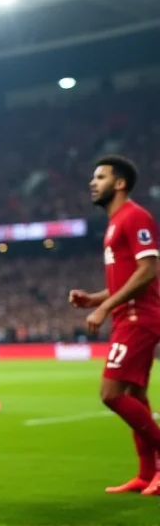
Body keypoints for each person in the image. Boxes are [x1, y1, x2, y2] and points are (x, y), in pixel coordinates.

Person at [69, 155, 160, 496]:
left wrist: (104, 307)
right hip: (129, 316)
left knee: (111, 393)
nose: (93, 182)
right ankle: (146, 473)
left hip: (138, 319)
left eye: (101, 177)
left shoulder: (135, 217)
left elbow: (149, 270)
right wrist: (94, 299)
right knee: (136, 395)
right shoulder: (115, 223)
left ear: (119, 183)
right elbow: (128, 277)